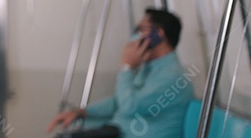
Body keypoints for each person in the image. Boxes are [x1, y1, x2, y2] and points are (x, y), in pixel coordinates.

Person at [47, 8, 193, 138]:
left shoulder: (173, 75)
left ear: (158, 34)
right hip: (118, 131)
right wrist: (82, 112)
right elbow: (118, 101)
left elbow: (130, 107)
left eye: (140, 30)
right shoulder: (150, 68)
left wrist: (126, 67)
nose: (135, 36)